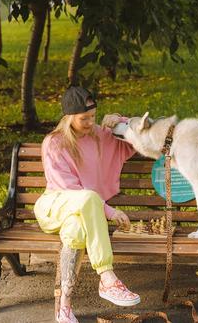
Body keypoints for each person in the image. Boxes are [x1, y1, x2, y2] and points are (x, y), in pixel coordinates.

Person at [34, 86, 139, 323]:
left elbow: (135, 141)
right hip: (54, 207)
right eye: (84, 118)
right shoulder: (54, 142)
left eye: (93, 116)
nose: (91, 122)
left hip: (84, 214)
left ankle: (64, 307)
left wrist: (120, 121)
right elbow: (72, 191)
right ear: (69, 117)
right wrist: (110, 212)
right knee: (89, 197)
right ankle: (107, 276)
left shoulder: (101, 136)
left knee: (76, 232)